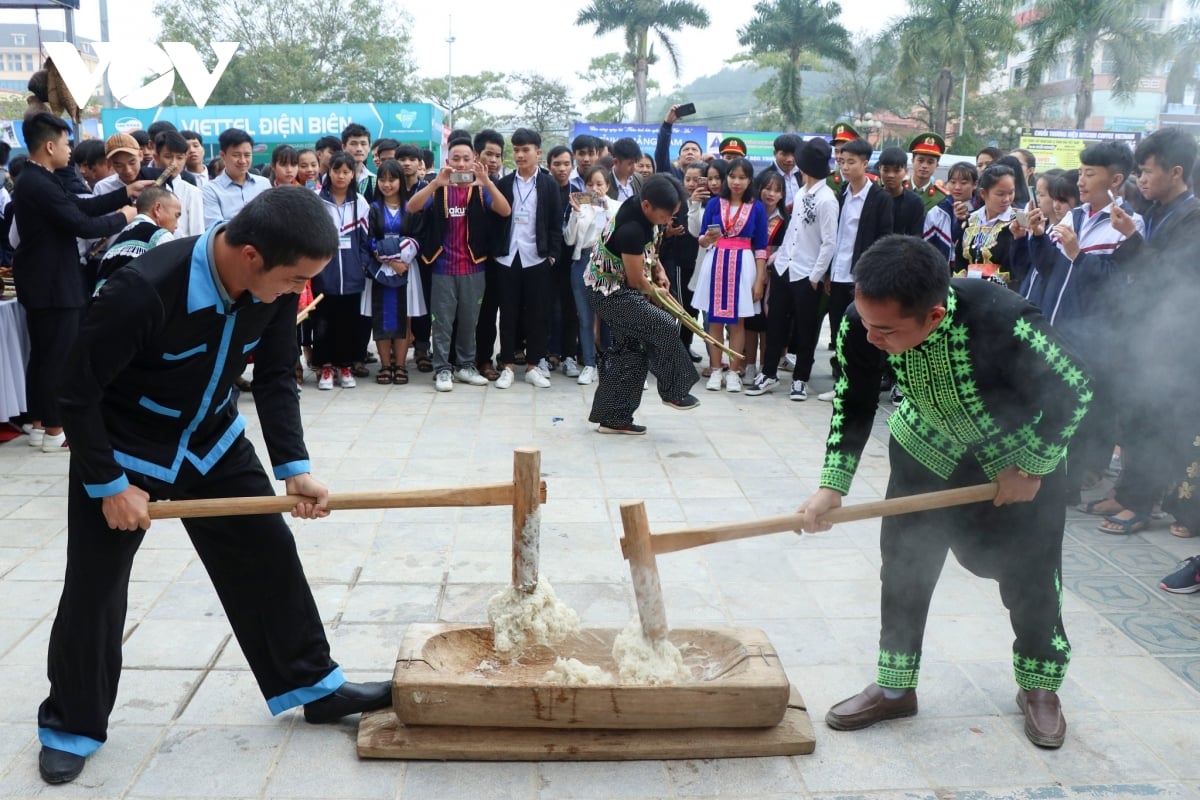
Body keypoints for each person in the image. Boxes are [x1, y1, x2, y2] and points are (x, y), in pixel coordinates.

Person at [38, 187, 391, 786]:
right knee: (95, 589)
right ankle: (71, 724)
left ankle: (313, 685)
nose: (297, 291)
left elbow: (278, 375)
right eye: (294, 278)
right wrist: (108, 484)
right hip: (127, 444)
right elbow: (74, 392)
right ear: (251, 255)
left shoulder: (272, 287)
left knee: (268, 553)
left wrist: (294, 466)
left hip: (212, 438)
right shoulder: (143, 290)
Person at [801, 234, 1092, 750]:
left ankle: (1040, 687)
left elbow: (1077, 387)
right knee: (905, 568)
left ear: (933, 316)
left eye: (886, 330)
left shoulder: (1006, 318)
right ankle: (895, 687)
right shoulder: (859, 323)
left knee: (1032, 576)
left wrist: (1032, 466)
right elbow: (853, 399)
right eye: (866, 322)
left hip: (1018, 458)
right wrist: (832, 485)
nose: (870, 337)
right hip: (925, 449)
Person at [12, 114, 148, 453]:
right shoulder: (38, 183)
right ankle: (56, 428)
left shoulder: (39, 178)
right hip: (54, 284)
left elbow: (79, 205)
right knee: (57, 357)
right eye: (65, 143)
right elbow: (81, 223)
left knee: (45, 355)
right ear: (49, 145)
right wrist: (126, 216)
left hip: (46, 281)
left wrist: (124, 194)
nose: (69, 150)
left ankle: (42, 425)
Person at [1105, 128, 1200, 540]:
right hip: (1143, 331)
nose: (1140, 180)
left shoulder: (1193, 217)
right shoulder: (1156, 209)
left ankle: (1142, 503)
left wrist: (1131, 239)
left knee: (1156, 420)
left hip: (1174, 339)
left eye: (1147, 171)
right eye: (1138, 172)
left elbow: (1173, 278)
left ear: (1176, 171)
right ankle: (1127, 494)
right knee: (1136, 415)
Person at [585, 174, 699, 434]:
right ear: (647, 205)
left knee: (631, 351)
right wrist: (658, 294)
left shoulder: (645, 210)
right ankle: (674, 390)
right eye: (665, 216)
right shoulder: (632, 228)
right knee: (665, 324)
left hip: (623, 287)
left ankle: (614, 418)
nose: (668, 221)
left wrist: (659, 270)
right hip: (609, 292)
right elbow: (637, 281)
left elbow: (650, 250)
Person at [408, 133, 511, 392]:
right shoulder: (437, 186)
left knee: (469, 321)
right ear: (447, 160)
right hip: (442, 267)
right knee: (441, 322)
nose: (462, 164)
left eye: (466, 158)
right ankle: (443, 369)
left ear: (474, 159)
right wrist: (434, 184)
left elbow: (504, 210)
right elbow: (412, 207)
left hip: (474, 267)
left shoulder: (480, 189)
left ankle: (466, 366)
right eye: (456, 158)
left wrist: (486, 182)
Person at [745, 137, 837, 401]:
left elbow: (829, 243)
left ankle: (800, 379)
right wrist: (778, 258)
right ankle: (769, 373)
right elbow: (791, 232)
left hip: (807, 273)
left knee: (805, 329)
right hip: (786, 267)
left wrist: (816, 276)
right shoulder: (799, 191)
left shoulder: (827, 199)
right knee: (775, 323)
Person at [817, 136, 894, 402]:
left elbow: (884, 240)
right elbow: (835, 238)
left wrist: (870, 277)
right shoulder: (842, 195)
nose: (845, 167)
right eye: (842, 161)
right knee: (840, 330)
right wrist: (828, 272)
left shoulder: (879, 198)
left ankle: (865, 387)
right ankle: (842, 385)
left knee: (865, 333)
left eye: (851, 162)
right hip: (838, 274)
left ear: (865, 163)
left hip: (862, 277)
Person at [493, 128, 564, 389]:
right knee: (508, 314)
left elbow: (557, 224)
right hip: (508, 258)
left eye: (525, 150)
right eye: (516, 150)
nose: (520, 155)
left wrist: (553, 257)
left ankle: (534, 365)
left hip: (537, 258)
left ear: (537, 152)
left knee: (537, 315)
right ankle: (508, 366)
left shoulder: (548, 185)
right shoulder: (504, 183)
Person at [694, 157, 768, 393]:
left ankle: (735, 370)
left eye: (742, 177)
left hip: (743, 263)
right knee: (714, 320)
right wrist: (707, 239)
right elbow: (702, 237)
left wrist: (759, 279)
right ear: (727, 178)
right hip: (716, 261)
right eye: (733, 176)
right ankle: (716, 369)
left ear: (749, 180)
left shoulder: (756, 207)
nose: (737, 182)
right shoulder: (716, 204)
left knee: (738, 321)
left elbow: (761, 247)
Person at [311, 152, 372, 390]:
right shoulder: (316, 201)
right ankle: (325, 367)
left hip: (352, 277)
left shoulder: (360, 203)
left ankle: (345, 366)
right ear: (329, 172)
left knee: (349, 324)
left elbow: (366, 241)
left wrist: (361, 264)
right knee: (323, 324)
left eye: (347, 171)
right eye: (337, 171)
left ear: (353, 174)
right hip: (323, 276)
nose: (341, 176)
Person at [566, 166, 619, 386]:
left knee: (607, 316)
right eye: (590, 184)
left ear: (607, 185)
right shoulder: (580, 207)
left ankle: (608, 361)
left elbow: (618, 235)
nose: (595, 188)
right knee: (585, 317)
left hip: (608, 263)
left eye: (599, 184)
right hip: (583, 260)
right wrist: (576, 214)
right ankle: (589, 364)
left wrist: (606, 210)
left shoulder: (617, 207)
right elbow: (570, 240)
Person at [366, 159, 417, 385]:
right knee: (382, 316)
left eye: (392, 179)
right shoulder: (373, 208)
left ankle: (401, 365)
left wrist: (402, 260)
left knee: (403, 317)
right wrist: (390, 260)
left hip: (407, 267)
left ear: (401, 181)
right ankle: (385, 365)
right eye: (382, 179)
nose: (387, 184)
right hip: (381, 269)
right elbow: (369, 240)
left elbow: (417, 237)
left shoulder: (411, 207)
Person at [93, 186, 180, 291]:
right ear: (157, 209)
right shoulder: (161, 236)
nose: (177, 225)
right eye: (176, 215)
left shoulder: (116, 242)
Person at [472, 128, 507, 381]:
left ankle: (484, 359)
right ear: (477, 154)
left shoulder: (505, 184)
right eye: (488, 154)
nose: (493, 160)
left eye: (498, 155)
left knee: (488, 312)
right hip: (464, 257)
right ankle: (458, 358)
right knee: (463, 311)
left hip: (495, 259)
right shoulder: (461, 182)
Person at [954, 164, 1021, 287]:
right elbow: (959, 257)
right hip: (967, 288)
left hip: (999, 293)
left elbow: (1015, 264)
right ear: (984, 193)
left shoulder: (1018, 222)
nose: (1007, 199)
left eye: (1011, 192)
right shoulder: (972, 219)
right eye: (1000, 194)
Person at [202, 128, 270, 226]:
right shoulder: (210, 190)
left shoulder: (264, 184)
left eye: (247, 155)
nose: (242, 160)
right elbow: (215, 228)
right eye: (236, 155)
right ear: (223, 155)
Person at [923, 162, 978, 265]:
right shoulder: (937, 212)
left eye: (963, 183)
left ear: (975, 184)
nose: (957, 187)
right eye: (952, 182)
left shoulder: (982, 211)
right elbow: (926, 247)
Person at [877, 147, 925, 237]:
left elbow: (916, 237)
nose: (891, 175)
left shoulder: (915, 202)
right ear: (880, 169)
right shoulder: (873, 198)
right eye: (886, 170)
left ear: (905, 171)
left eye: (896, 170)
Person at [654, 105, 704, 180]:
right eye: (686, 150)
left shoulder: (707, 177)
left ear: (701, 159)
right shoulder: (670, 174)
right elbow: (662, 152)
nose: (690, 152)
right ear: (678, 159)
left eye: (694, 150)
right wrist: (667, 124)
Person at [906, 132, 948, 214]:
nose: (924, 166)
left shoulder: (941, 197)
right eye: (920, 160)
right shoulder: (899, 189)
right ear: (912, 161)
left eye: (930, 162)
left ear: (937, 165)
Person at [762, 133, 801, 208]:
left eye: (794, 154)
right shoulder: (763, 177)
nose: (790, 159)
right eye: (784, 154)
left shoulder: (804, 175)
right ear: (775, 153)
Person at [608, 137, 644, 202]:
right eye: (630, 164)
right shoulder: (601, 180)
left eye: (636, 162)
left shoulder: (639, 179)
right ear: (616, 162)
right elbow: (592, 202)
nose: (634, 167)